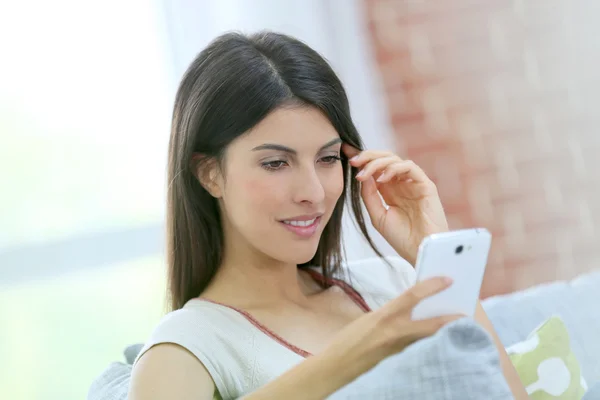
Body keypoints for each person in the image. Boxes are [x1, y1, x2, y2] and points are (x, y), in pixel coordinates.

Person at [128, 31, 528, 400]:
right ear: (210, 173)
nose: (314, 193)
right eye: (275, 163)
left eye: (327, 158)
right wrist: (365, 345)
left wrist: (430, 251)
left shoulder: (395, 282)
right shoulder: (189, 344)